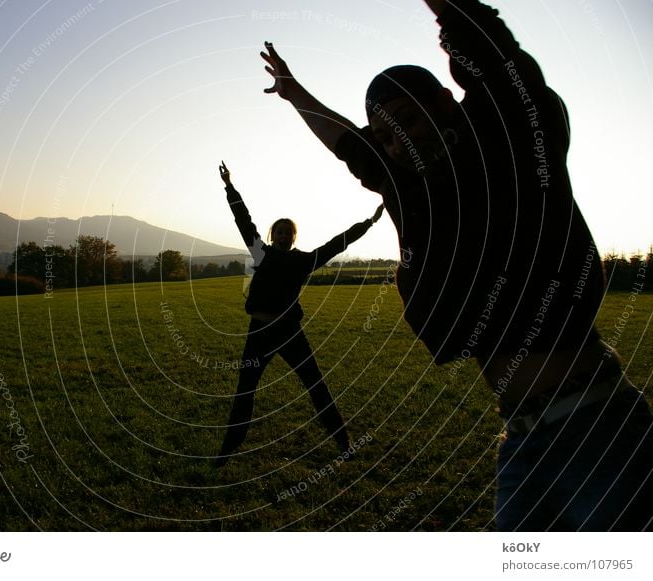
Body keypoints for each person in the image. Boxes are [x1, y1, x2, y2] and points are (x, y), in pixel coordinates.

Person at [260, 0, 653, 530]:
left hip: (597, 428)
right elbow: (348, 144)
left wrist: (447, 7)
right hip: (522, 438)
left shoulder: (508, 142)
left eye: (404, 119)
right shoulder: (415, 192)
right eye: (386, 136)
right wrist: (292, 92)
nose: (396, 142)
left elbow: (498, 60)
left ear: (445, 103)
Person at [214, 161, 384, 468]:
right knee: (245, 392)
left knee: (316, 387)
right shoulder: (260, 252)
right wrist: (230, 186)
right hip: (259, 333)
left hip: (290, 333)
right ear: (272, 234)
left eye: (287, 232)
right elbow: (244, 219)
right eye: (278, 231)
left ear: (294, 237)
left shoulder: (304, 261)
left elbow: (336, 244)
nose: (282, 235)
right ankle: (227, 450)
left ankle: (344, 444)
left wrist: (367, 224)